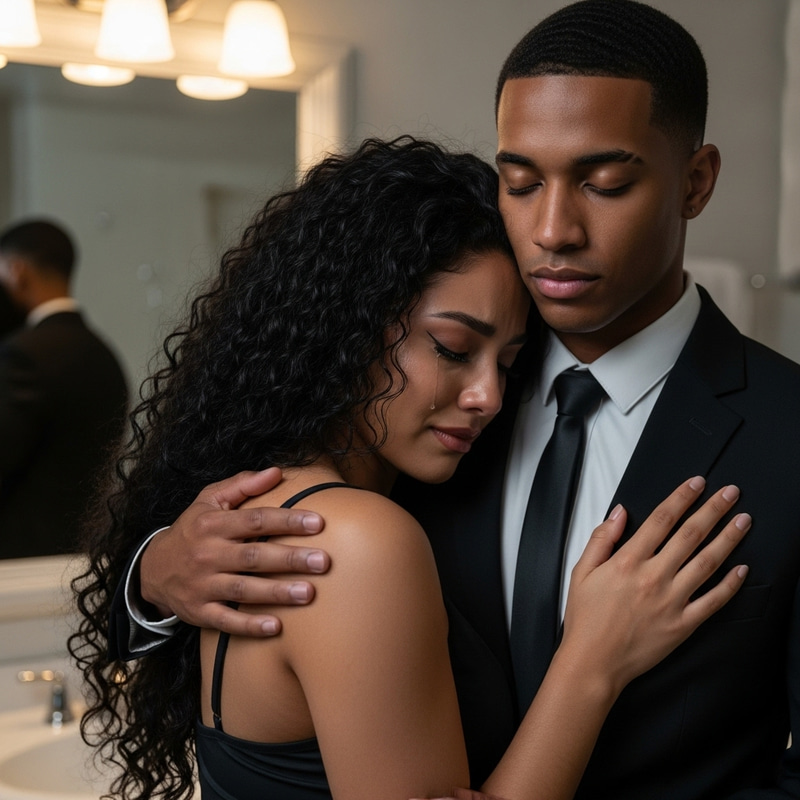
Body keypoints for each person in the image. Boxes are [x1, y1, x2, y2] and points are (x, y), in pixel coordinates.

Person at [113, 1, 800, 797]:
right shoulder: (422, 399)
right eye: (519, 183)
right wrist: (155, 575)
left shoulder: (786, 431)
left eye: (605, 184)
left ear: (696, 181)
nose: (553, 230)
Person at [0, 218, 128, 558]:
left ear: (16, 271)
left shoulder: (22, 353)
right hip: (87, 549)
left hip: (21, 558)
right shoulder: (103, 354)